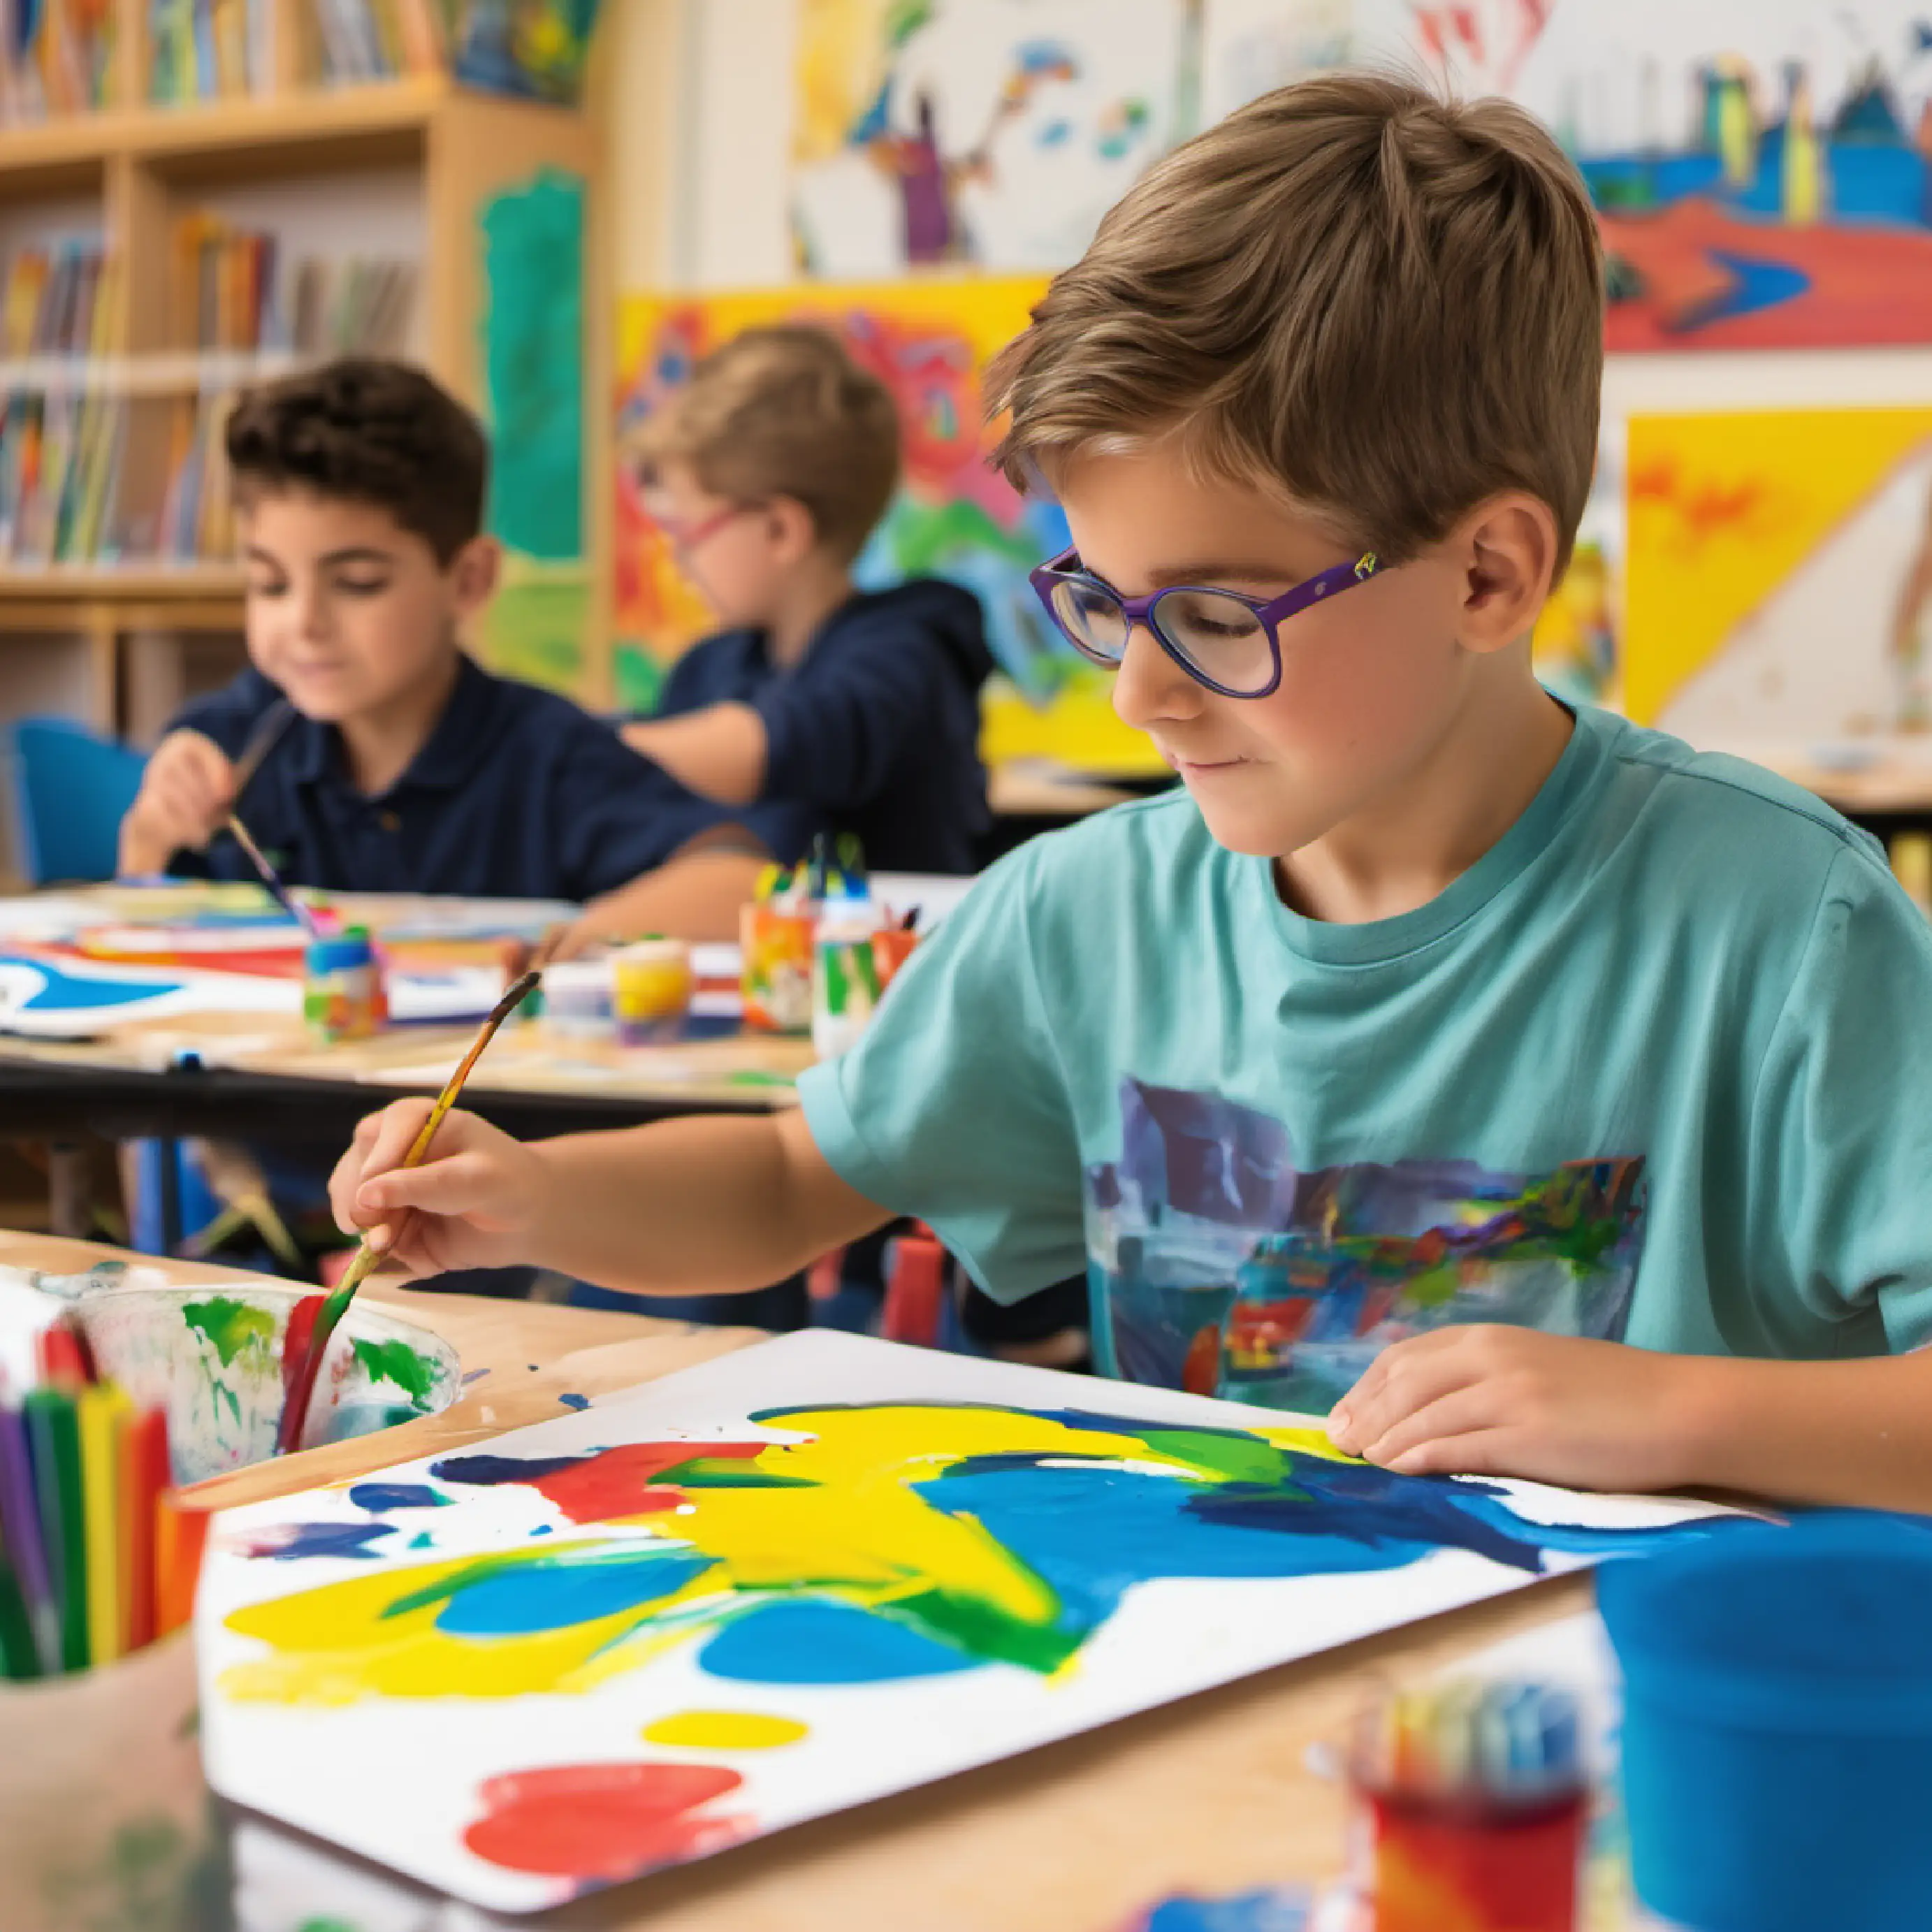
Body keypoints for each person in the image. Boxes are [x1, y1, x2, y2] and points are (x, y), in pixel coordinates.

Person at [328, 76, 1932, 1513]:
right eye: (1102, 603)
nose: (1138, 693)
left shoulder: (1785, 927)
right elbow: (791, 1180)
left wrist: (1675, 1411)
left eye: (1221, 616)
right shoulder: (1089, 916)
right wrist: (534, 1197)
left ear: (1490, 572)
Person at [118, 357, 811, 940]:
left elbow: (742, 882)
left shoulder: (546, 755)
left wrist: (570, 949)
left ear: (470, 578)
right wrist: (155, 827)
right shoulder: (234, 741)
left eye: (357, 583)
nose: (303, 622)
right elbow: (142, 903)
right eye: (269, 583)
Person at [595, 326, 991, 931]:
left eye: (686, 535)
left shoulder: (913, 646)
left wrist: (582, 748)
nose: (677, 560)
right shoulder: (709, 668)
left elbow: (790, 741)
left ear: (780, 529)